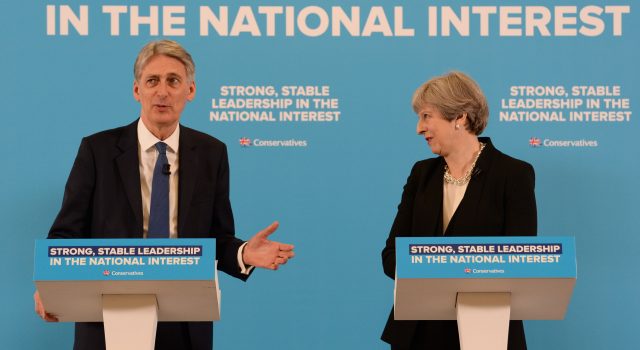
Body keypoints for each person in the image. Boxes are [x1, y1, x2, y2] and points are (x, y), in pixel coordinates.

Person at [33, 39, 295, 350]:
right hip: (108, 318)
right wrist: (51, 287)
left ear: (191, 90)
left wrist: (243, 254)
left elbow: (216, 238)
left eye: (173, 81)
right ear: (136, 90)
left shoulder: (212, 154)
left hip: (183, 323)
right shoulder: (97, 151)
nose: (162, 91)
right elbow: (65, 235)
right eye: (152, 80)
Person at [380, 71, 537, 350]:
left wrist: (434, 267)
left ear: (460, 117)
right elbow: (391, 255)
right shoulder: (421, 174)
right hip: (417, 333)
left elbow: (519, 261)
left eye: (426, 116)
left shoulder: (513, 173)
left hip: (487, 332)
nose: (419, 127)